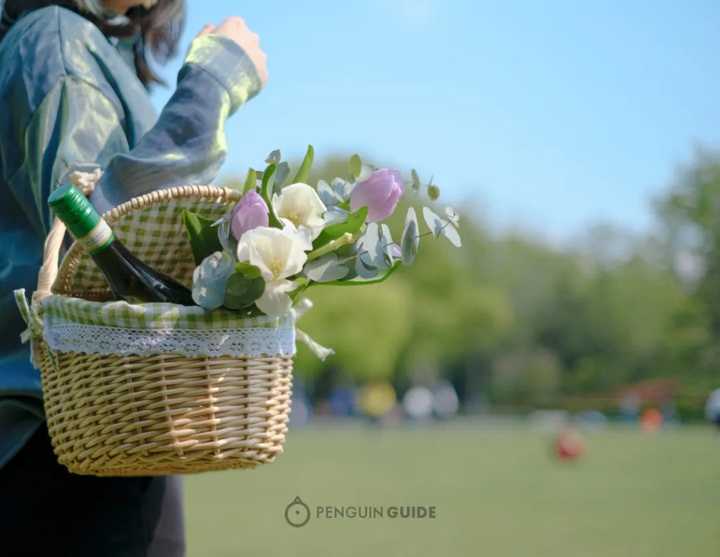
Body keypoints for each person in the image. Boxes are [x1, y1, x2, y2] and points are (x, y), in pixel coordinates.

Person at [0, 0, 267, 554]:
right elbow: (90, 241)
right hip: (61, 446)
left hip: (93, 432)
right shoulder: (58, 38)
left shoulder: (86, 44)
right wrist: (211, 86)